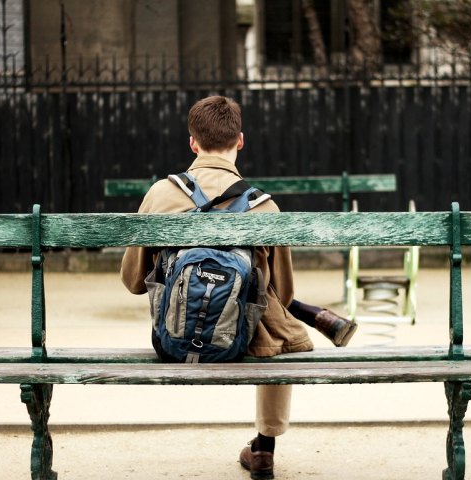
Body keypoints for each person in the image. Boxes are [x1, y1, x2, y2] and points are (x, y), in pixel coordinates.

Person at [120, 95, 355, 479]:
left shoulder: (160, 194)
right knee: (279, 323)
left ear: (193, 143)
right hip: (242, 340)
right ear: (240, 141)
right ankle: (265, 446)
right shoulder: (264, 206)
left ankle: (264, 444)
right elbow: (285, 291)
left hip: (172, 338)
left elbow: (133, 283)